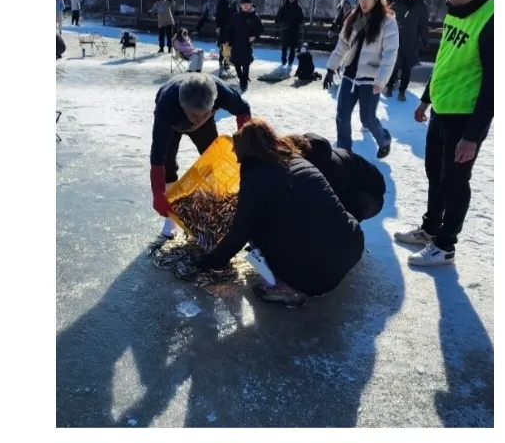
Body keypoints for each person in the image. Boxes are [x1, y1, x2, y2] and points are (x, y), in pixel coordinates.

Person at [194, 119, 365, 307]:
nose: (236, 157)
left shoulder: (255, 177)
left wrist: (211, 261)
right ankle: (326, 265)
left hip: (317, 275)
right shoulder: (295, 158)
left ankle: (281, 288)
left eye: (237, 151)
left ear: (246, 150)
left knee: (256, 228)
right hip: (352, 246)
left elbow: (240, 231)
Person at [394, 0, 493, 267]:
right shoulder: (454, 8)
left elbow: (494, 85)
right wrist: (427, 98)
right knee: (435, 174)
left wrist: (472, 136)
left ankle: (445, 245)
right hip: (441, 108)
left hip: (465, 118)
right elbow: (445, 58)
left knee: (454, 183)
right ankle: (430, 229)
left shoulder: (492, 17)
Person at [149, 73, 252, 237]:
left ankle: (213, 208)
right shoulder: (166, 107)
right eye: (194, 115)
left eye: (204, 114)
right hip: (174, 125)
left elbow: (243, 109)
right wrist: (158, 194)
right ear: (182, 106)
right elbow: (157, 155)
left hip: (205, 127)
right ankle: (171, 217)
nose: (198, 119)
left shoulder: (221, 92)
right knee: (168, 164)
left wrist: (243, 142)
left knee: (213, 161)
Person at [323, 0, 399, 158]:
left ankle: (384, 140)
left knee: (367, 119)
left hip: (371, 78)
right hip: (350, 75)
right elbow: (343, 44)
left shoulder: (387, 22)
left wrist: (381, 80)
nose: (363, 2)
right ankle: (344, 152)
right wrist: (331, 68)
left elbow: (390, 54)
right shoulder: (356, 18)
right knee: (342, 115)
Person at [285, 132, 386, 222]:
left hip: (371, 195)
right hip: (354, 179)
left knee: (330, 218)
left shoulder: (329, 173)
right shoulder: (311, 149)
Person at [385, 0, 430, 101]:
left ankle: (402, 91)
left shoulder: (421, 5)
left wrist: (425, 40)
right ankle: (389, 86)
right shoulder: (397, 2)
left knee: (407, 67)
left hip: (411, 42)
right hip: (396, 40)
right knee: (394, 64)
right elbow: (387, 20)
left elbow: (423, 24)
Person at [225, 0, 264, 92]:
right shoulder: (236, 16)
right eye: (244, 4)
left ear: (251, 5)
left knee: (246, 64)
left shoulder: (254, 17)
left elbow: (261, 29)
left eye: (248, 4)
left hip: (247, 45)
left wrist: (254, 36)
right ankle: (241, 77)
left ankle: (244, 83)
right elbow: (230, 29)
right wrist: (228, 41)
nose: (246, 6)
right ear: (241, 5)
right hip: (236, 44)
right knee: (237, 64)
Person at [275, 0, 305, 72]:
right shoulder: (283, 7)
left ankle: (290, 63)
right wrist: (282, 24)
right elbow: (278, 18)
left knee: (292, 48)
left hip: (294, 31)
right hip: (285, 31)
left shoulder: (298, 8)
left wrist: (300, 22)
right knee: (284, 48)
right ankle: (283, 62)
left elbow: (301, 19)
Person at [215, 0, 238, 73]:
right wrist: (218, 26)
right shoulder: (223, 1)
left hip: (231, 28)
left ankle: (226, 62)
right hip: (224, 27)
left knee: (229, 46)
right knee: (224, 45)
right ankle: (221, 62)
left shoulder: (233, 3)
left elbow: (236, 13)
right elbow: (218, 15)